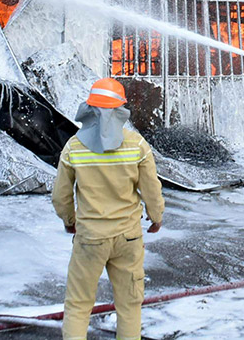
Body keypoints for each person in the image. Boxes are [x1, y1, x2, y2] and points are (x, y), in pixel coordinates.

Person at [52, 78, 164, 340]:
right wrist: (156, 217)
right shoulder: (136, 144)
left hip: (90, 238)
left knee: (78, 306)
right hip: (129, 238)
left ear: (90, 108)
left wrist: (70, 220)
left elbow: (60, 195)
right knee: (129, 306)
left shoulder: (74, 147)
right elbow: (151, 190)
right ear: (120, 109)